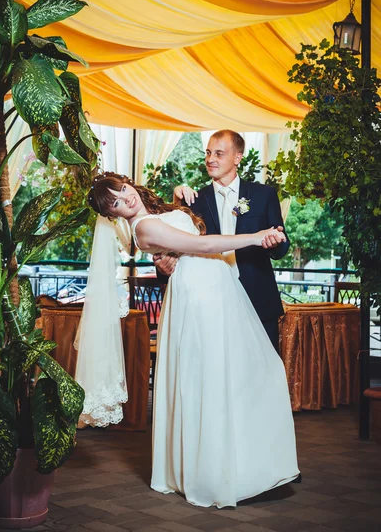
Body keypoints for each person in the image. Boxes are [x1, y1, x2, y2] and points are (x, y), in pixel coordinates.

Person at [87, 171, 299, 509]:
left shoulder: (153, 213)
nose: (124, 198)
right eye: (114, 201)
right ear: (112, 214)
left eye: (122, 189)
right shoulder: (143, 227)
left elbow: (184, 236)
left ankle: (241, 464)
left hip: (216, 289)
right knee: (214, 380)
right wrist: (255, 237)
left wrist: (176, 196)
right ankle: (213, 473)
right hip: (200, 297)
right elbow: (202, 244)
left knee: (244, 373)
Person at [155, 130, 288, 353]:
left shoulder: (264, 195)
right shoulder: (194, 201)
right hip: (210, 304)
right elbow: (175, 251)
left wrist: (276, 242)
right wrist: (163, 267)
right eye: (208, 153)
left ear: (237, 157)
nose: (210, 159)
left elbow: (282, 245)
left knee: (263, 373)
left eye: (218, 153)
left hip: (257, 298)